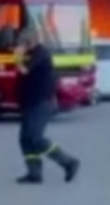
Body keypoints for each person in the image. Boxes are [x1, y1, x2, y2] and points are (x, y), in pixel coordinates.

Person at [14, 29, 80, 184]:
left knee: (36, 138)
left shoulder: (40, 53)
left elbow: (24, 71)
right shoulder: (31, 54)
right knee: (25, 139)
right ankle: (34, 173)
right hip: (30, 102)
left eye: (22, 43)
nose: (20, 46)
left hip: (41, 103)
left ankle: (68, 162)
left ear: (30, 42)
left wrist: (17, 57)